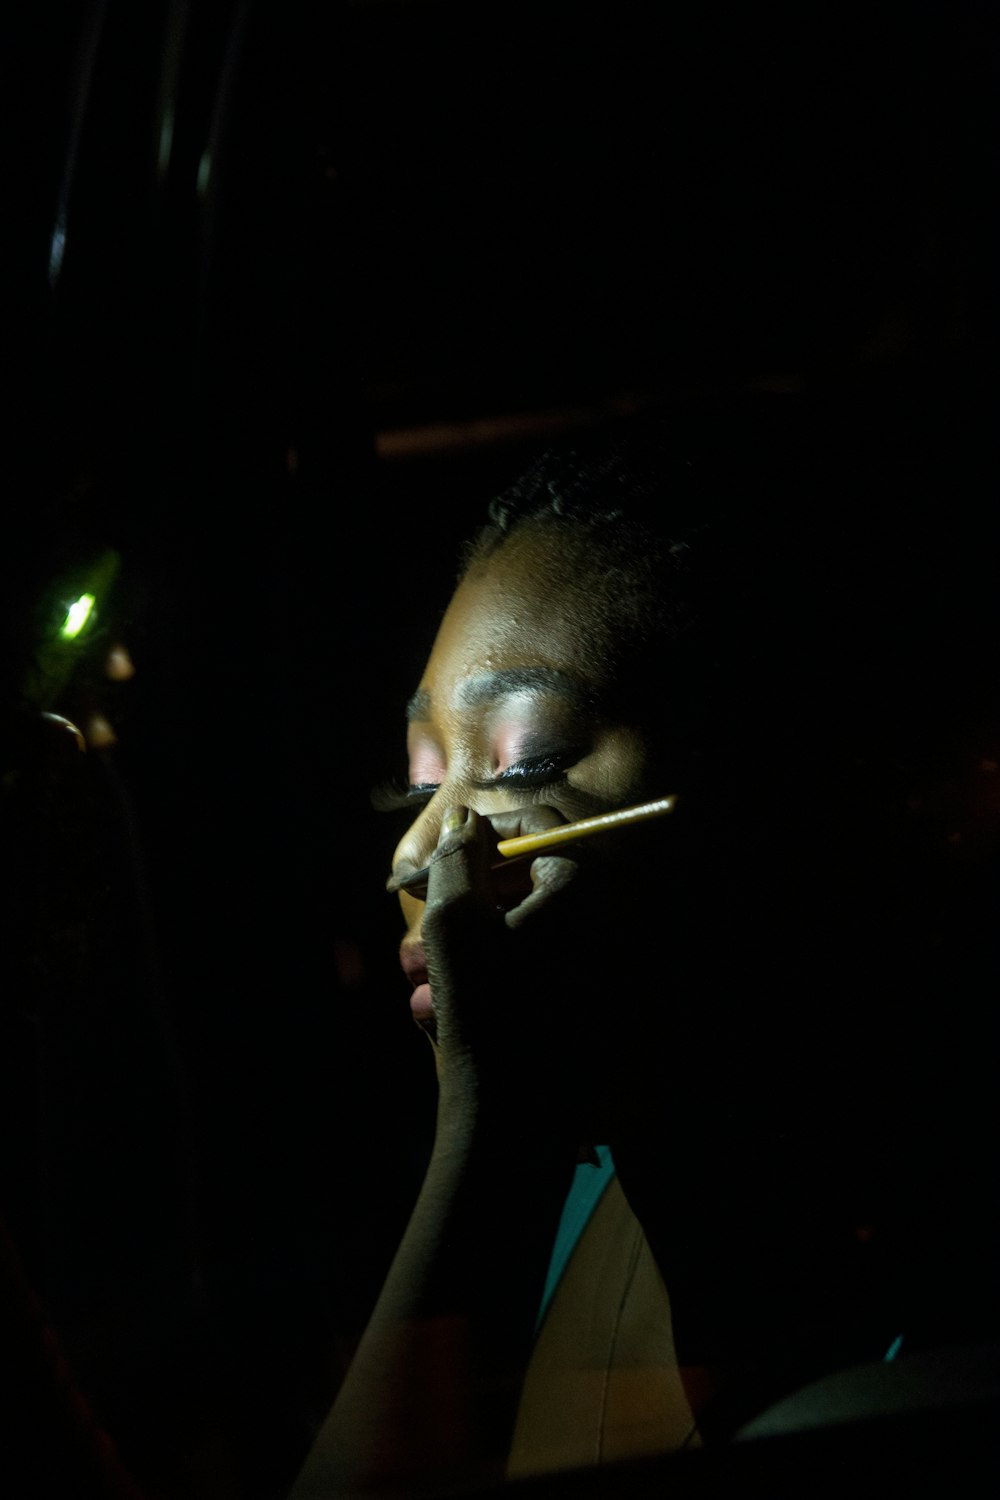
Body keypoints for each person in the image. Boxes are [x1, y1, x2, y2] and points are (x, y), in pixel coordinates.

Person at [288, 405, 998, 1498]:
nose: (422, 854)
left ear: (778, 784)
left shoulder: (930, 1284)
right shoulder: (597, 1200)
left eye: (524, 765)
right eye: (427, 782)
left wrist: (482, 1140)